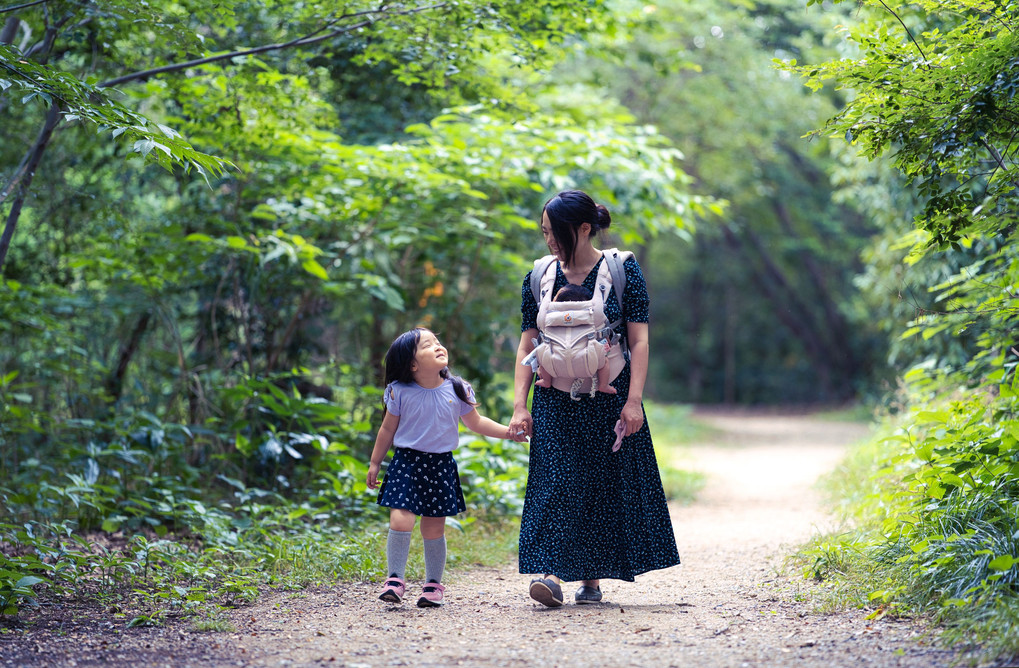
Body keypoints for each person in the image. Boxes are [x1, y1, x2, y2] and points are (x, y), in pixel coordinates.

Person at [509, 189, 681, 607]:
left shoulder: (622, 271)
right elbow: (527, 343)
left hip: (609, 394)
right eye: (545, 232)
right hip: (553, 397)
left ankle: (590, 579)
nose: (549, 240)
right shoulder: (539, 277)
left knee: (598, 484)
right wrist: (519, 403)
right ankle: (549, 574)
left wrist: (634, 400)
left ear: (584, 229)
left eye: (555, 232)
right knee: (554, 482)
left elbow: (638, 341)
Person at [367, 327, 519, 608]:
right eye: (428, 345)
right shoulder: (399, 391)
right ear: (412, 364)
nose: (439, 346)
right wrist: (375, 462)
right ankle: (395, 580)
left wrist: (508, 432)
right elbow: (387, 429)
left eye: (438, 341)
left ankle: (433, 585)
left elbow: (477, 423)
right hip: (407, 463)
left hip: (440, 465)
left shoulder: (457, 388)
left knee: (434, 528)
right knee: (401, 519)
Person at [529, 283, 616, 395]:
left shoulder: (551, 319)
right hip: (589, 361)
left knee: (543, 357)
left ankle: (546, 380)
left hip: (554, 363)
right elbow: (605, 339)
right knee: (604, 362)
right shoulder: (590, 319)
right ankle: (603, 385)